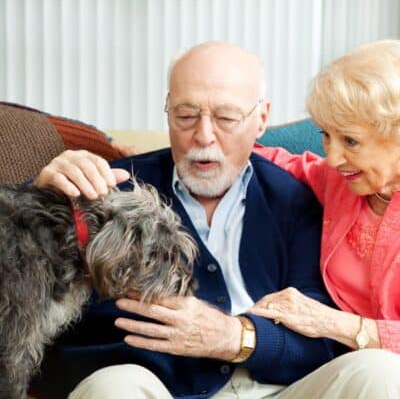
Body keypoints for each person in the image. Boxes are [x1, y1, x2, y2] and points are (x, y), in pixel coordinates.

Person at [28, 42, 387, 399]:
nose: (203, 136)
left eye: (226, 119)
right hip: (155, 387)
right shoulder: (110, 189)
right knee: (113, 388)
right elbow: (22, 260)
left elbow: (320, 336)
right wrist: (40, 199)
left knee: (380, 371)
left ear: (261, 119)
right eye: (185, 116)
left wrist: (238, 338)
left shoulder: (296, 198)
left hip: (278, 389)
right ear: (167, 111)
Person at [247, 38, 400, 385]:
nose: (332, 157)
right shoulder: (338, 180)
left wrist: (335, 324)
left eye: (350, 141)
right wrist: (156, 158)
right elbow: (265, 158)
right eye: (325, 136)